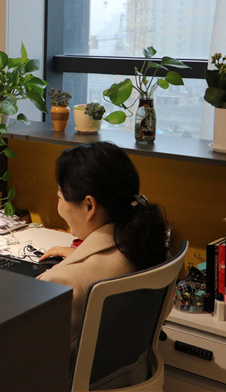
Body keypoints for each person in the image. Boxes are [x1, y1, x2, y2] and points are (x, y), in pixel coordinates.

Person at [36, 141, 170, 352]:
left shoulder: (65, 281)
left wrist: (59, 273)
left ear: (89, 206)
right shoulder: (148, 247)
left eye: (60, 197)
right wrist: (82, 256)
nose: (59, 206)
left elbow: (32, 348)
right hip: (132, 369)